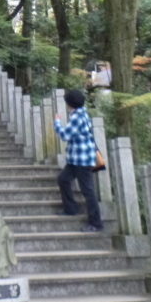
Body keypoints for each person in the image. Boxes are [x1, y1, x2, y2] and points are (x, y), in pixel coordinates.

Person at [54, 89, 103, 232]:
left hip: (82, 159)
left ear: (70, 104)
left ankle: (96, 223)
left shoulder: (77, 117)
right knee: (63, 179)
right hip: (76, 158)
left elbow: (64, 135)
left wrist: (57, 122)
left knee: (88, 190)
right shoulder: (82, 114)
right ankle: (70, 209)